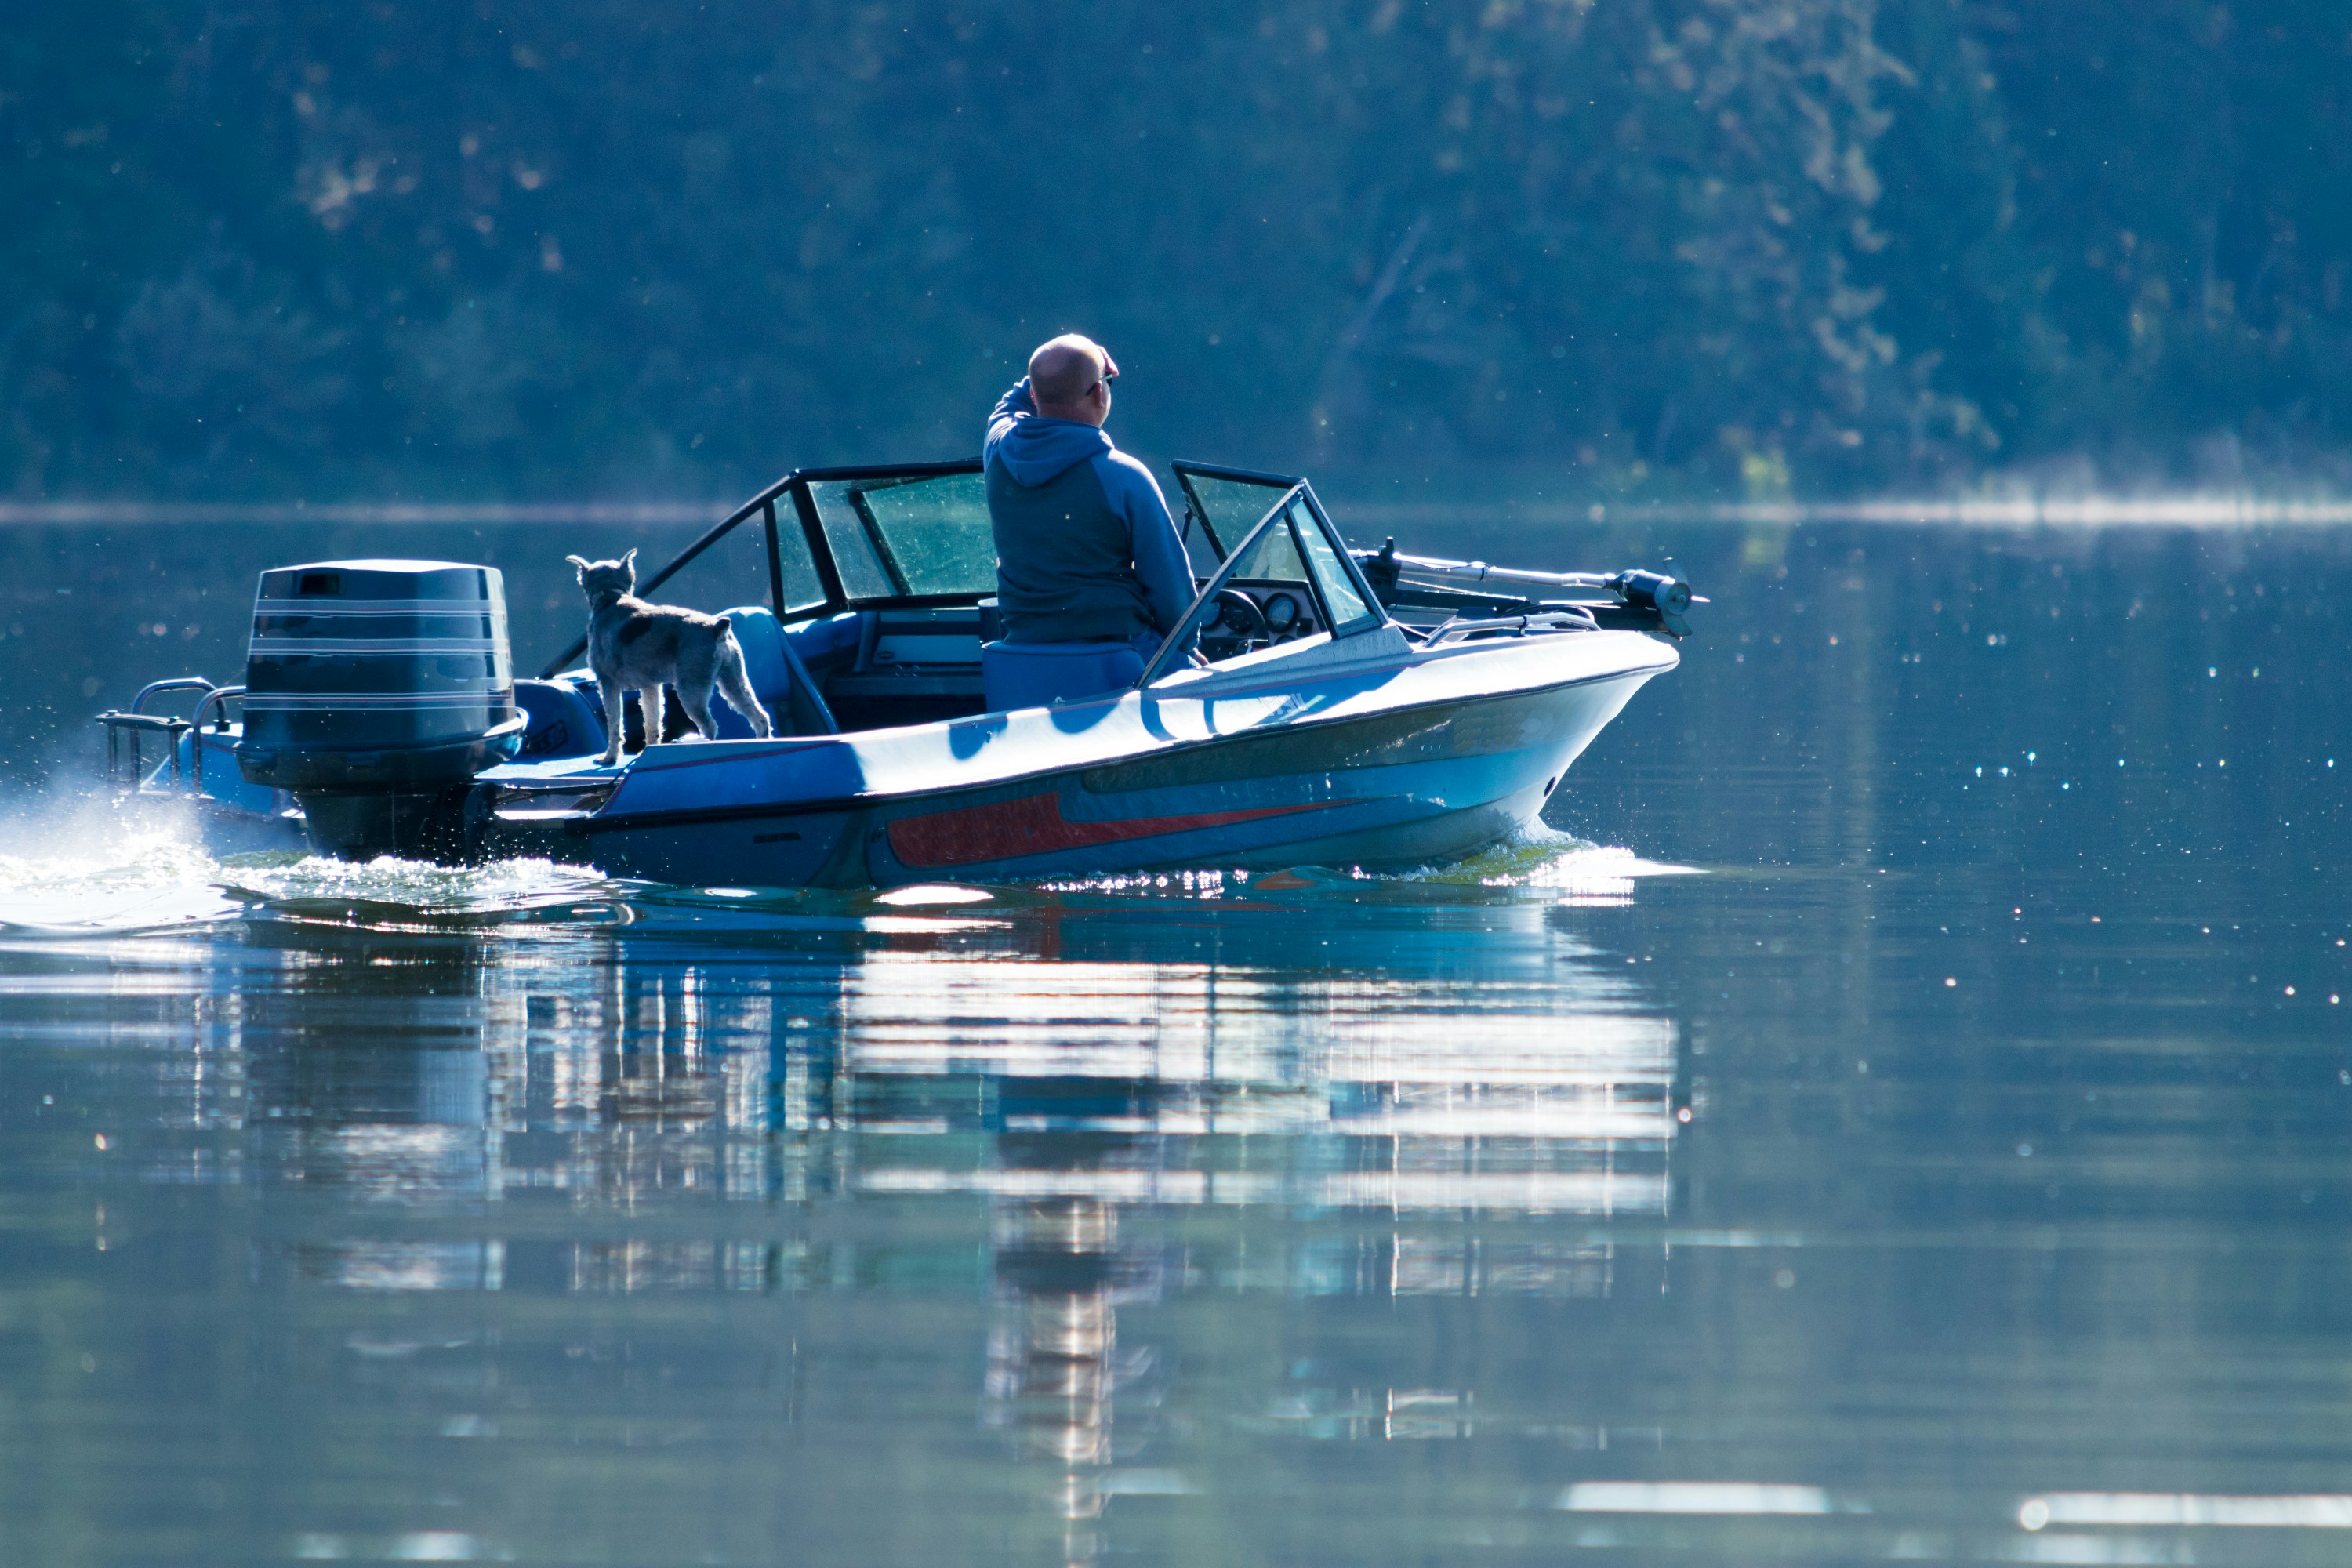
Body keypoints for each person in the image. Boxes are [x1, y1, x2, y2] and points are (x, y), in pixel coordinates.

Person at [983, 334, 1196, 660]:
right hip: (1119, 657)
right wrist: (1186, 651)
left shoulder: (998, 451)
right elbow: (1173, 596)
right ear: (1099, 392)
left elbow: (1010, 403)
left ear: (1033, 394)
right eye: (1105, 382)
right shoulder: (1125, 477)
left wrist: (1063, 370)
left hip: (1024, 656)